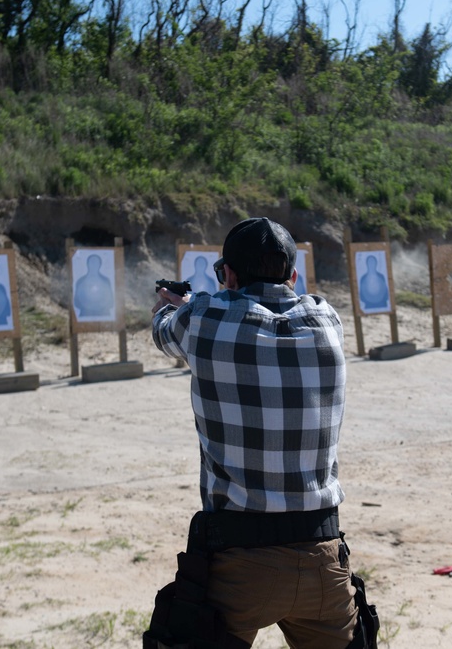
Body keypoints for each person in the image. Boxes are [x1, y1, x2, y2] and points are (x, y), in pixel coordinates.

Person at [146, 217, 377, 649]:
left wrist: (169, 304)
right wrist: (207, 301)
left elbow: (165, 332)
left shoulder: (200, 318)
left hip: (237, 563)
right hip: (323, 557)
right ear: (292, 275)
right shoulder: (327, 321)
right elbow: (259, 314)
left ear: (228, 275)